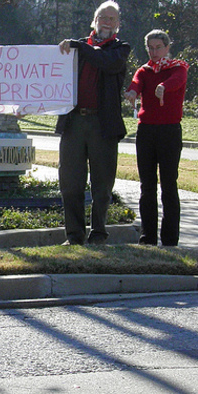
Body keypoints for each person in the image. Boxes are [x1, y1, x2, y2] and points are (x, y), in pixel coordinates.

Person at [56, 1, 131, 245]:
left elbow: (107, 63)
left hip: (103, 124)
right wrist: (28, 106)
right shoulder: (72, 49)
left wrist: (78, 45)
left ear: (118, 25)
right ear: (94, 20)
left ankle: (98, 234)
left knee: (102, 184)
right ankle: (74, 236)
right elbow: (52, 82)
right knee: (70, 183)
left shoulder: (120, 49)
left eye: (112, 18)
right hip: (73, 122)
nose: (107, 22)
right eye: (103, 17)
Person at [124, 30, 188, 246]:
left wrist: (163, 87)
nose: (154, 52)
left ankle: (170, 239)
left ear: (168, 47)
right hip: (147, 131)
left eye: (158, 47)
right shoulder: (144, 70)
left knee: (168, 184)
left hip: (169, 132)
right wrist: (132, 93)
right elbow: (136, 83)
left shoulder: (178, 67)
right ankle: (148, 237)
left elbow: (176, 81)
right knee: (147, 185)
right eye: (150, 48)